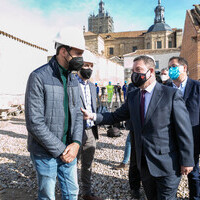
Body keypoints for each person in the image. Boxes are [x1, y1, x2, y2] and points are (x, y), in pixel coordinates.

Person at [81, 55, 194, 200]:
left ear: (151, 71)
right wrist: (93, 116)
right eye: (133, 70)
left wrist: (187, 160)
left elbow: (184, 130)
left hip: (168, 165)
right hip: (145, 165)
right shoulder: (134, 96)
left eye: (138, 70)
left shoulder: (170, 95)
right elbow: (116, 116)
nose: (135, 74)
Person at [25, 27, 85, 200]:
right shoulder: (38, 77)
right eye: (78, 53)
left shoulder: (73, 78)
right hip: (45, 152)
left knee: (72, 193)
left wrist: (75, 143)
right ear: (63, 51)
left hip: (70, 149)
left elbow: (78, 113)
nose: (81, 58)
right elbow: (34, 122)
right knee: (47, 196)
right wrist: (61, 150)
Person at [168, 56, 200, 200]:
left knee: (194, 173)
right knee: (171, 173)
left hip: (193, 138)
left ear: (184, 68)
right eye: (169, 67)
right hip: (170, 139)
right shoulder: (165, 88)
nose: (170, 70)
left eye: (174, 66)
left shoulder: (197, 87)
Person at [76, 50, 103, 200]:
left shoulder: (93, 87)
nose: (88, 68)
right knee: (72, 165)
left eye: (90, 65)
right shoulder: (71, 83)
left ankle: (86, 192)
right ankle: (71, 192)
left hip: (90, 131)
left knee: (88, 164)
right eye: (85, 65)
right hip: (75, 132)